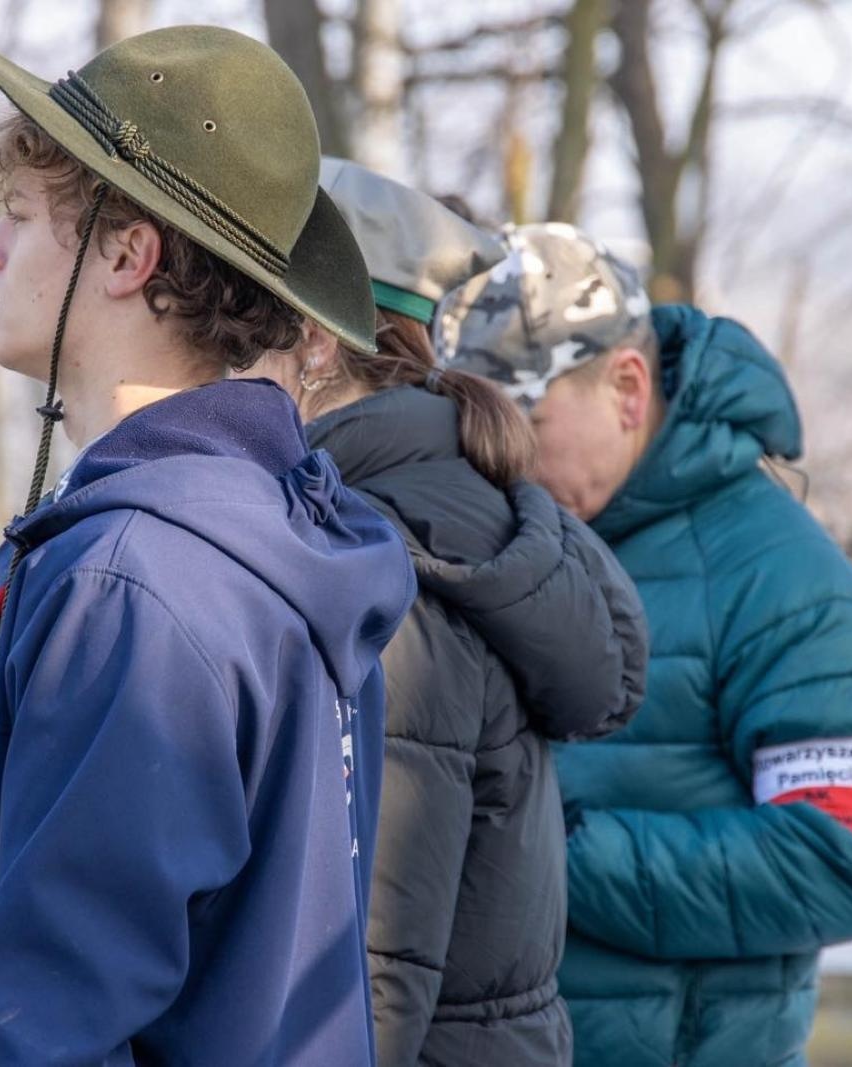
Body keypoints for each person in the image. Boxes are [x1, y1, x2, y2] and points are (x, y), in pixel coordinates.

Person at [0, 27, 416, 1067]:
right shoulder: (270, 535)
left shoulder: (135, 580)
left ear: (128, 254)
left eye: (15, 218)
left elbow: (56, 1018)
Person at [437, 223, 852, 1067]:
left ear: (627, 387)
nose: (496, 451)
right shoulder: (522, 533)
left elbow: (843, 858)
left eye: (527, 415)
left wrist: (552, 849)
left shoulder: (784, 578)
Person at [242, 159, 648, 1066]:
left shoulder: (381, 561)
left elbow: (366, 975)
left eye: (240, 315)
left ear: (309, 338)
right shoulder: (430, 508)